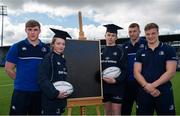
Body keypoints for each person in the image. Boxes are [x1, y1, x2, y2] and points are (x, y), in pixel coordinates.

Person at [5, 19, 49, 115]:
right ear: (26, 30)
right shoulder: (17, 47)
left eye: (35, 30)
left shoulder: (46, 49)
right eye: (29, 29)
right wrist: (21, 80)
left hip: (40, 91)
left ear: (39, 31)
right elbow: (8, 68)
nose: (32, 32)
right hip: (21, 91)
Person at [134, 23, 177, 115]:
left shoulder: (168, 49)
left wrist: (152, 86)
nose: (150, 36)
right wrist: (146, 86)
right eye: (148, 34)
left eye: (153, 33)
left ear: (158, 33)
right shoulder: (140, 51)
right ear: (145, 35)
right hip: (144, 91)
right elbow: (136, 72)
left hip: (163, 92)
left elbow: (171, 72)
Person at [38, 28, 72, 115]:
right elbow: (42, 79)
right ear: (52, 44)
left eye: (63, 44)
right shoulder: (48, 58)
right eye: (58, 43)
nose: (61, 46)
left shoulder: (62, 60)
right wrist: (55, 93)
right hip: (50, 102)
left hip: (60, 101)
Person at [101, 24, 128, 115]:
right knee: (107, 112)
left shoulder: (121, 50)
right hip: (104, 87)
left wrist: (116, 80)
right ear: (105, 36)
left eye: (113, 35)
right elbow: (97, 70)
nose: (110, 37)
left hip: (117, 86)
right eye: (108, 35)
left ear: (116, 37)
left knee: (116, 112)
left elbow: (125, 70)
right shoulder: (101, 51)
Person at [122, 23, 146, 115]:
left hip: (141, 83)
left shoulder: (145, 44)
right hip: (127, 84)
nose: (132, 34)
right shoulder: (124, 46)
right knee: (125, 110)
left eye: (134, 31)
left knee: (142, 110)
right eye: (130, 32)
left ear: (139, 31)